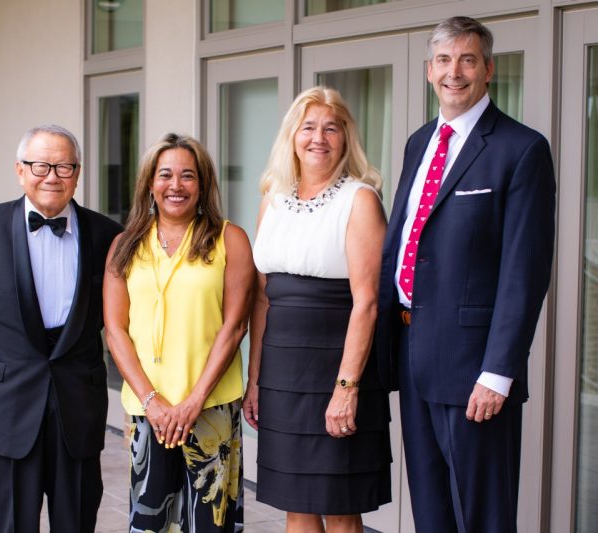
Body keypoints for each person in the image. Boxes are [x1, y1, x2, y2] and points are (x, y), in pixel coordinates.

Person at [376, 16, 556, 533]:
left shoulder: (521, 149)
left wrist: (498, 372)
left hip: (474, 368)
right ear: (429, 71)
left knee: (482, 516)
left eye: (468, 59)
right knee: (431, 510)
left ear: (488, 70)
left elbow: (524, 272)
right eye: (444, 60)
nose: (455, 71)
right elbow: (404, 240)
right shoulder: (419, 142)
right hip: (413, 356)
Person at [0, 125, 121, 532]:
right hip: (5, 402)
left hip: (77, 402)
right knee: (10, 524)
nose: (52, 176)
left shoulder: (108, 236)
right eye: (41, 165)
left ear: (77, 174)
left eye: (63, 167)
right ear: (20, 170)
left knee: (76, 521)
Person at [242, 86, 391, 533]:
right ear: (291, 135)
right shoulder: (272, 197)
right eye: (308, 127)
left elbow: (368, 302)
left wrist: (347, 387)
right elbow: (262, 295)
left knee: (340, 506)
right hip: (283, 374)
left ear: (346, 138)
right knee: (296, 504)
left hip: (337, 368)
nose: (318, 138)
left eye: (331, 128)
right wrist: (255, 379)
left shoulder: (360, 199)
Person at [104, 133, 254, 532]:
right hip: (147, 409)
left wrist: (193, 401)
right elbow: (115, 331)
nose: (176, 185)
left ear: (202, 184)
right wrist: (152, 402)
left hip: (210, 407)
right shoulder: (125, 245)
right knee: (151, 518)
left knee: (209, 523)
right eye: (165, 175)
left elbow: (235, 325)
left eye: (188, 176)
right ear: (150, 184)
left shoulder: (229, 239)